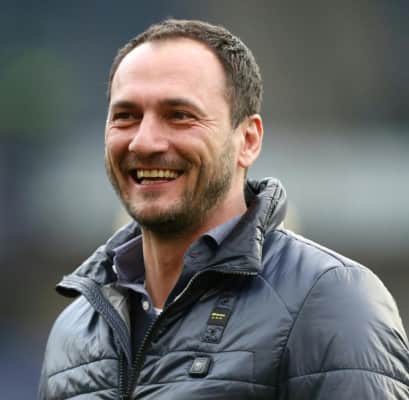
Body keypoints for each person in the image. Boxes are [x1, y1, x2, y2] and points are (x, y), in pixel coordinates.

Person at [39, 19, 409, 399]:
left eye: (179, 115)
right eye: (126, 116)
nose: (144, 142)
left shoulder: (330, 302)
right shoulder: (74, 331)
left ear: (248, 140)